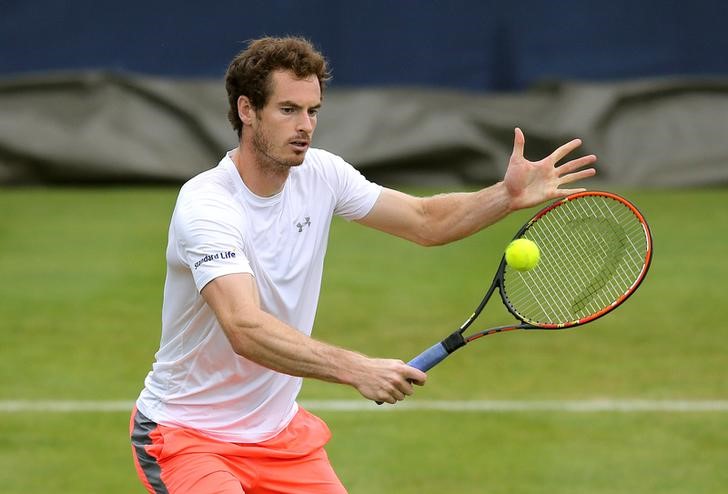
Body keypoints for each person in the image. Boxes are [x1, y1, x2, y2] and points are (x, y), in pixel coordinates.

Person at [130, 36, 597, 494]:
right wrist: (357, 368)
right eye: (288, 110)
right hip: (187, 436)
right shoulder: (207, 205)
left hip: (280, 438)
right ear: (247, 111)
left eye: (312, 111)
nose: (305, 126)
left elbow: (423, 221)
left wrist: (505, 196)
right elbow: (244, 327)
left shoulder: (322, 174)